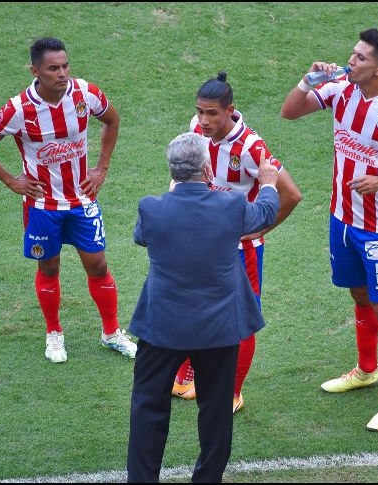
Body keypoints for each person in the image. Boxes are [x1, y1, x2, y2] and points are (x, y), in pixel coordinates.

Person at [280, 28, 378, 431]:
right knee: (358, 295)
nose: (351, 61)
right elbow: (289, 112)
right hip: (341, 218)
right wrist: (308, 80)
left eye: (361, 58)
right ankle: (367, 370)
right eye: (353, 53)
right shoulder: (340, 91)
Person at [0, 37, 137, 363]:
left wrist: (101, 168)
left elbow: (112, 120)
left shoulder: (85, 93)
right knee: (49, 265)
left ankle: (111, 333)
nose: (62, 73)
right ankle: (54, 333)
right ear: (36, 71)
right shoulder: (19, 109)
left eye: (65, 66)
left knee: (98, 264)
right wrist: (10, 180)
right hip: (42, 207)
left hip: (81, 201)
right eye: (53, 68)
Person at [126, 132, 280, 483]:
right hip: (218, 328)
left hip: (161, 327)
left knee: (148, 406)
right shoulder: (231, 206)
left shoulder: (152, 207)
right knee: (215, 412)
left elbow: (141, 237)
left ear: (172, 171)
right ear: (208, 169)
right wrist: (268, 182)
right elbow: (267, 213)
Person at [171, 72, 302, 414]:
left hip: (239, 251)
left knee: (241, 319)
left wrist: (260, 230)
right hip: (202, 241)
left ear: (231, 111)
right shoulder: (197, 130)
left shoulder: (251, 148)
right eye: (200, 112)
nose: (203, 120)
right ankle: (188, 373)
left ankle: (232, 392)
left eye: (212, 113)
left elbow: (291, 194)